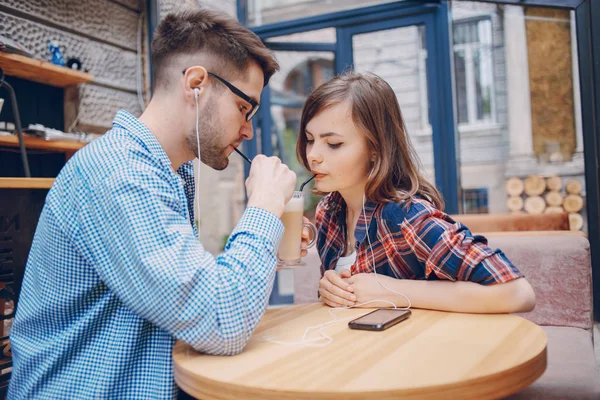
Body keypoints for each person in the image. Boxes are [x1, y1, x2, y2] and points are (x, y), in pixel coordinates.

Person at [8, 8, 301, 400]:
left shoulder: (166, 173)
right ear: (196, 83)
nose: (248, 129)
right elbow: (221, 319)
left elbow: (191, 291)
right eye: (244, 107)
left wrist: (272, 240)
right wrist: (263, 207)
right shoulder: (121, 174)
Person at [296, 72, 536, 313]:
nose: (312, 155)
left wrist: (393, 291)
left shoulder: (404, 216)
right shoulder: (329, 211)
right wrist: (330, 290)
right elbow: (348, 302)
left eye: (333, 144)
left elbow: (518, 293)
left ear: (376, 149)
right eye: (309, 139)